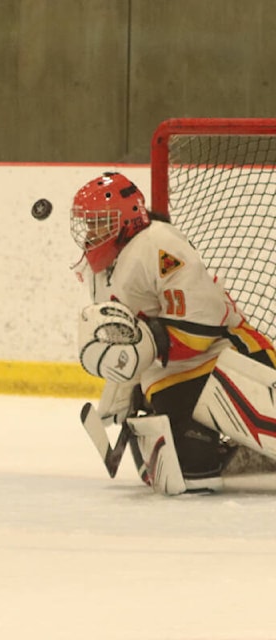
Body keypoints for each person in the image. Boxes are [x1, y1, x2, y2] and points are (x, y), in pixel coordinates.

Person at [71, 172, 276, 495]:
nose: (92, 232)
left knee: (191, 464)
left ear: (126, 220)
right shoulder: (103, 267)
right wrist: (128, 387)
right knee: (189, 468)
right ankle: (226, 446)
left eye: (100, 221)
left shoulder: (157, 244)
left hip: (223, 358)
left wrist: (153, 341)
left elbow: (202, 320)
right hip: (171, 375)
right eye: (89, 222)